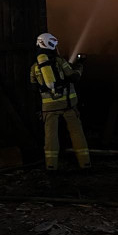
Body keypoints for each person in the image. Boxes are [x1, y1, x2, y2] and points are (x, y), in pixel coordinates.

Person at [30, 32, 90, 172]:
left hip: (48, 107)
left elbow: (33, 87)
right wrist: (80, 64)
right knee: (76, 133)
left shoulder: (34, 67)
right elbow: (74, 77)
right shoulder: (59, 61)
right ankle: (85, 163)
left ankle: (51, 166)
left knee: (50, 136)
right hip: (68, 105)